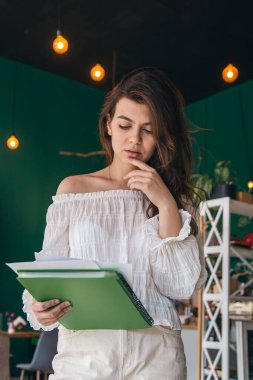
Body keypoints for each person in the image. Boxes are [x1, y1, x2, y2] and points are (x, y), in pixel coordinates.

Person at [23, 67, 207, 380]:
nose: (134, 139)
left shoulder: (174, 201)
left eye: (148, 130)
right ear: (109, 124)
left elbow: (180, 286)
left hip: (156, 356)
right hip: (84, 356)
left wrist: (164, 203)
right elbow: (48, 272)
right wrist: (38, 306)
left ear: (161, 137)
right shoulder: (73, 191)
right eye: (124, 125)